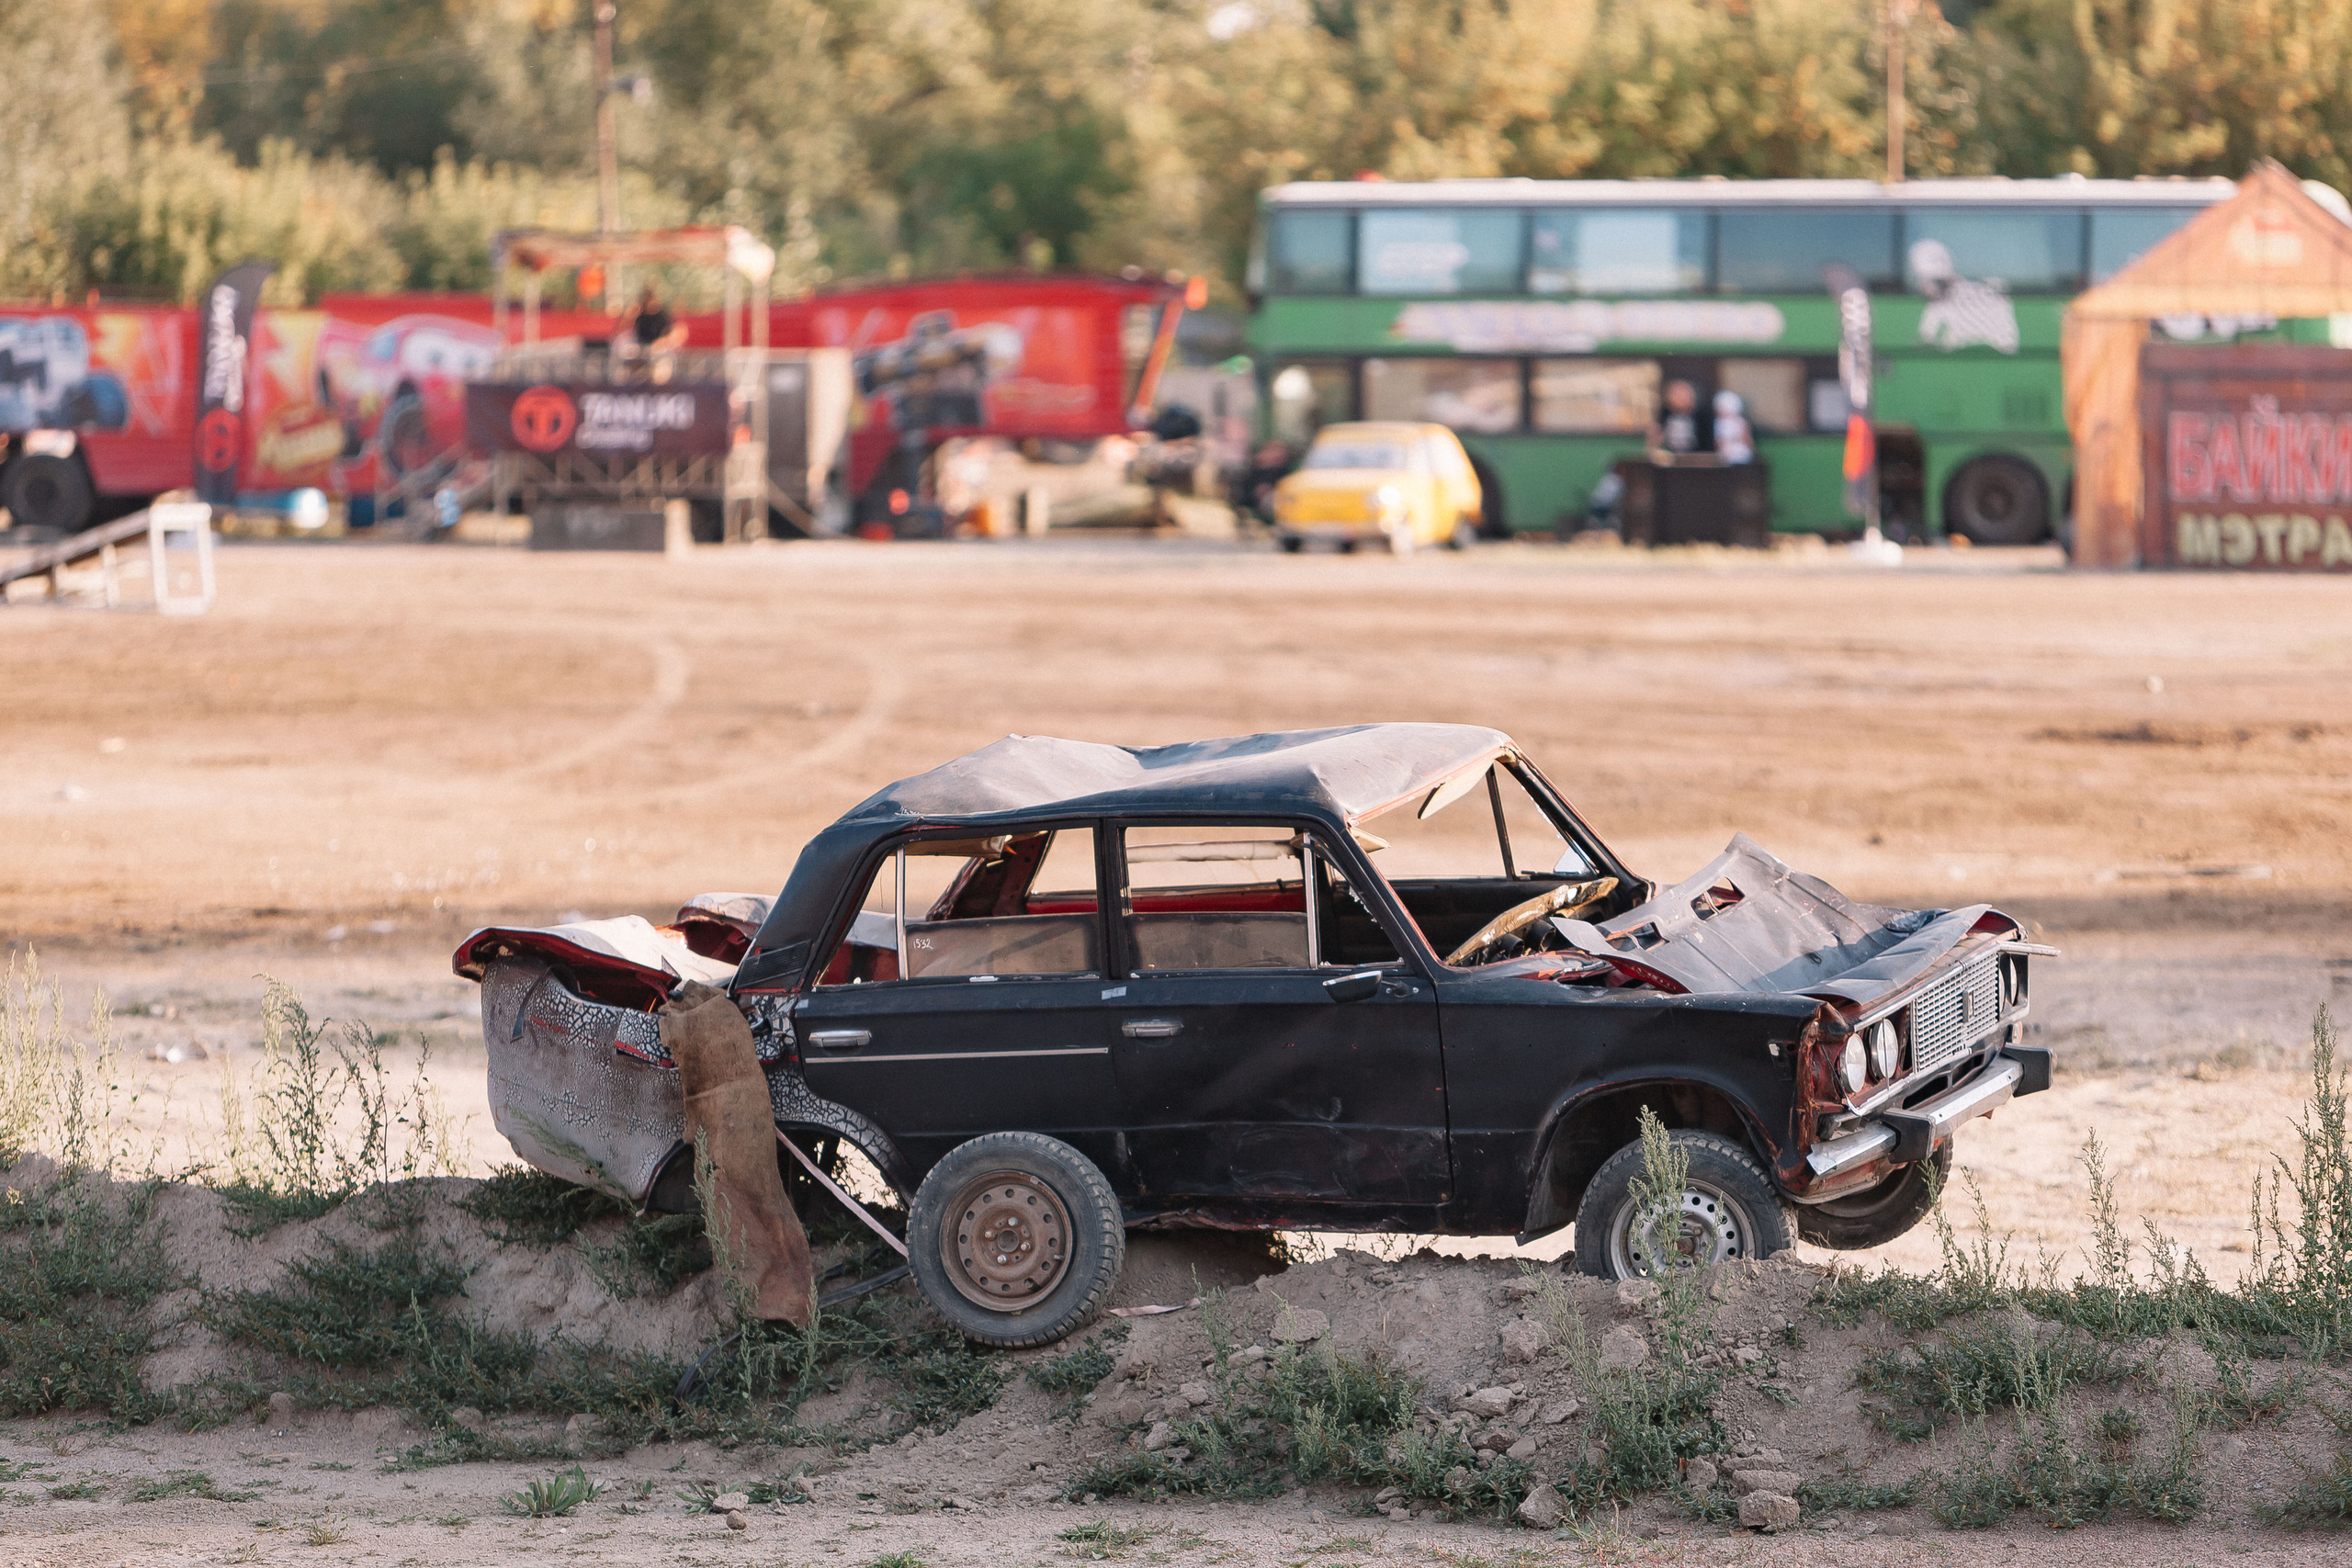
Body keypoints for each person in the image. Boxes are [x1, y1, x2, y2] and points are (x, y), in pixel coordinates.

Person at [1653, 378, 1706, 456]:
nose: (1681, 398)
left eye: (1685, 395)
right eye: (1676, 395)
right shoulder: (1664, 415)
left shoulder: (1702, 418)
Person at [1713, 389, 1755, 464]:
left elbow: (1747, 438)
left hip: (1741, 452)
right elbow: (1720, 440)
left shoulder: (1741, 422)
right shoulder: (1720, 423)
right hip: (1727, 453)